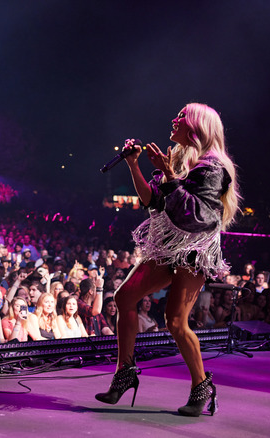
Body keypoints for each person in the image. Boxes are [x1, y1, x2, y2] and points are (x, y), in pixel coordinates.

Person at [96, 103, 241, 417]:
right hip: (169, 245)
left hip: (193, 250)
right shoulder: (179, 156)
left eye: (181, 116)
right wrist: (134, 166)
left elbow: (195, 217)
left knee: (176, 321)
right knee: (124, 297)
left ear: (196, 127)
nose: (174, 119)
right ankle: (125, 374)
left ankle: (201, 386)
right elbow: (154, 202)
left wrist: (170, 174)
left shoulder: (213, 166)